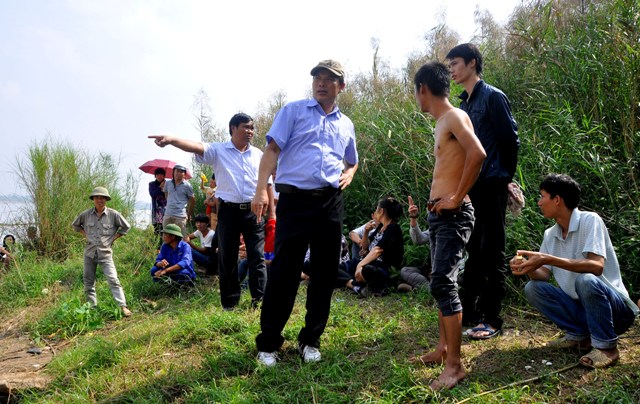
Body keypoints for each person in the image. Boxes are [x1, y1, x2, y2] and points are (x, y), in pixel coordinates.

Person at [251, 59, 358, 366]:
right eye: (317, 78)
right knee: (284, 273)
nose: (321, 83)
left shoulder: (346, 124)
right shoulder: (293, 111)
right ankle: (268, 343)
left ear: (341, 86)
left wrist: (349, 173)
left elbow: (352, 160)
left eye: (328, 79)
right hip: (295, 202)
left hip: (330, 203)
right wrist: (261, 189)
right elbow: (272, 151)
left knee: (324, 274)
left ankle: (310, 339)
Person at [409, 62, 486, 390]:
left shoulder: (453, 116)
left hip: (454, 214)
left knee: (443, 282)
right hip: (439, 216)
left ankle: (455, 366)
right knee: (441, 282)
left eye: (416, 93)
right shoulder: (443, 121)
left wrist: (456, 197)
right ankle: (443, 350)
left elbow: (478, 153)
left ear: (422, 89)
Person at [510, 174, 639, 369]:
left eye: (542, 196)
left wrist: (547, 258)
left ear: (557, 199)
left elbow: (596, 266)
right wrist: (528, 267)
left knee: (585, 280)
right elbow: (543, 274)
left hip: (615, 312)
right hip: (583, 310)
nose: (539, 202)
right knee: (533, 288)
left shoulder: (590, 220)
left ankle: (607, 347)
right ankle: (580, 336)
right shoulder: (550, 234)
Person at [150, 113, 273, 310]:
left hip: (253, 212)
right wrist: (172, 140)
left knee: (257, 258)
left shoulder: (258, 154)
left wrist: (272, 214)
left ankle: (259, 302)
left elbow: (267, 183)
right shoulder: (219, 151)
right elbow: (196, 146)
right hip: (228, 212)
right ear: (233, 128)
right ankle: (230, 303)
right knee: (228, 258)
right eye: (246, 127)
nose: (250, 131)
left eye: (252, 127)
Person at [446, 43, 520, 340]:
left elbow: (510, 141)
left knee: (492, 250)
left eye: (456, 63)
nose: (451, 69)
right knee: (473, 250)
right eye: (449, 64)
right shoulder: (463, 105)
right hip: (471, 188)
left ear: (472, 63)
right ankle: (471, 312)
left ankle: (492, 317)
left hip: (491, 185)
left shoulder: (493, 97)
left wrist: (504, 178)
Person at [71, 187, 132, 317]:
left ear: (106, 200)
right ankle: (92, 307)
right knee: (88, 282)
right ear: (93, 199)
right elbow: (75, 225)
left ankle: (122, 306)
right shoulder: (86, 214)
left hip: (105, 254)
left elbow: (126, 227)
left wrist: (113, 238)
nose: (100, 200)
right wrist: (86, 235)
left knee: (113, 279)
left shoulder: (113, 214)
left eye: (103, 197)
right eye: (97, 197)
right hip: (89, 253)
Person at [337, 197, 404, 297]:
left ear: (381, 211)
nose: (375, 211)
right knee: (329, 268)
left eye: (377, 208)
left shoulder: (393, 228)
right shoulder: (381, 227)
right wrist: (366, 232)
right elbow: (364, 247)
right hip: (366, 263)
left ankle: (348, 280)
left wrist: (360, 265)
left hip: (380, 268)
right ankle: (356, 286)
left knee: (368, 271)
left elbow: (378, 250)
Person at [397, 195, 431, 292]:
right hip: (429, 270)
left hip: (447, 271)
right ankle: (427, 287)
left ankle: (420, 289)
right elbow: (418, 240)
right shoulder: (434, 229)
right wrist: (413, 217)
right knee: (405, 271)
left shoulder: (454, 228)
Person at [163, 165, 195, 237]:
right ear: (173, 172)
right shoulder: (167, 183)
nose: (179, 173)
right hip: (168, 214)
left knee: (182, 238)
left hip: (180, 216)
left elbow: (192, 200)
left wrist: (189, 213)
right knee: (166, 238)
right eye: (177, 171)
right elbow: (166, 195)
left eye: (181, 172)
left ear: (184, 174)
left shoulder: (187, 185)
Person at [149, 167, 167, 248]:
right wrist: (160, 187)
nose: (160, 176)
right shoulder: (152, 184)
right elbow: (153, 194)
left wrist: (164, 188)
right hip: (156, 210)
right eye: (158, 174)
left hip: (166, 209)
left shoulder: (168, 184)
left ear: (164, 176)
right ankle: (157, 247)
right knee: (157, 228)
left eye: (162, 174)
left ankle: (165, 245)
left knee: (165, 228)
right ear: (155, 176)